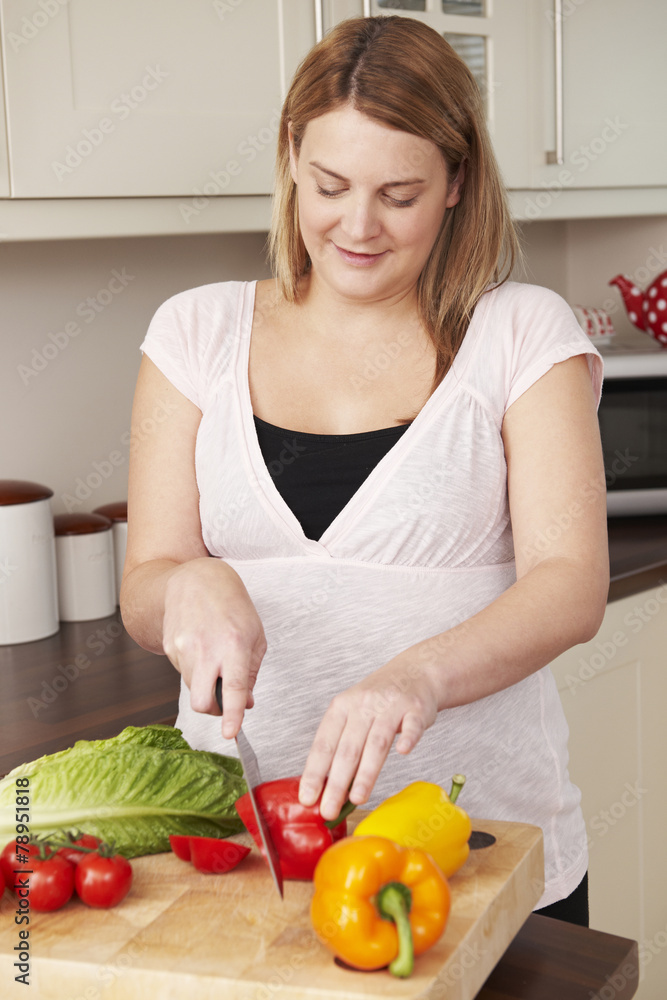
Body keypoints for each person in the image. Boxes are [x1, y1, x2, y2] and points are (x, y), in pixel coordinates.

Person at [120, 15, 608, 925]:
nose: (356, 225)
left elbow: (570, 584)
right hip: (241, 850)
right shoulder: (194, 331)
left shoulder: (520, 333)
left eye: (399, 193)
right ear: (291, 160)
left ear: (457, 183)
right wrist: (186, 581)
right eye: (330, 185)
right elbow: (146, 587)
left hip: (473, 851)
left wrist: (414, 675)